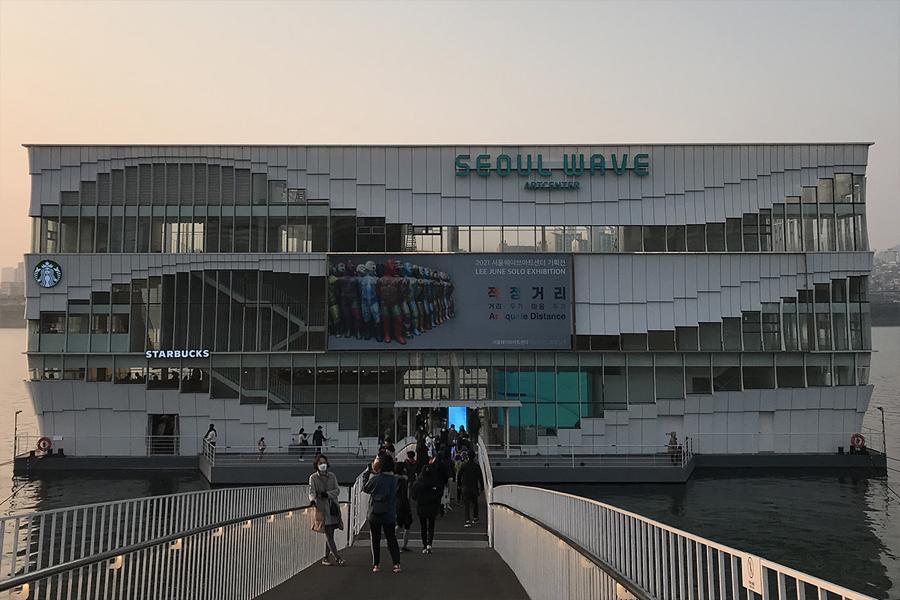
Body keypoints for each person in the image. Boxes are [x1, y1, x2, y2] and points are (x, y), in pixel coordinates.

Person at [363, 456, 402, 573]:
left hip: (374, 513)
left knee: (375, 539)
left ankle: (376, 564)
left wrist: (367, 472)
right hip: (389, 513)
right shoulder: (395, 480)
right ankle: (396, 564)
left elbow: (365, 488)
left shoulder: (376, 479)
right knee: (391, 538)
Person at [308, 455, 345, 566]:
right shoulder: (313, 477)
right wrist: (313, 500)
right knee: (329, 534)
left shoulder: (332, 476)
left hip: (332, 508)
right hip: (322, 509)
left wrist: (327, 494)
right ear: (316, 465)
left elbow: (337, 490)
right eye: (320, 463)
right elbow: (312, 491)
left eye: (324, 462)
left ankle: (326, 557)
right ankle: (338, 558)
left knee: (330, 535)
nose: (322, 465)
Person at [411, 463, 442, 554]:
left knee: (423, 527)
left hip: (422, 507)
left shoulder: (417, 483)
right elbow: (439, 493)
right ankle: (429, 544)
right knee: (431, 526)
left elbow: (413, 496)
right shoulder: (435, 482)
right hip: (433, 507)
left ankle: (424, 545)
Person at [456, 452, 483, 527]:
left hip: (465, 486)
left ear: (468, 456)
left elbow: (459, 475)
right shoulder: (476, 466)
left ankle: (467, 520)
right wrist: (482, 487)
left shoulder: (464, 465)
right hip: (474, 486)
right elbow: (480, 477)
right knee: (475, 503)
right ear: (474, 457)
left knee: (466, 504)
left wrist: (459, 484)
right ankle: (475, 517)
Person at [395, 453, 414, 552]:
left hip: (396, 504)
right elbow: (405, 495)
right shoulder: (403, 481)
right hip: (403, 504)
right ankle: (404, 545)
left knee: (399, 524)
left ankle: (393, 543)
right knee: (407, 525)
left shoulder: (394, 479)